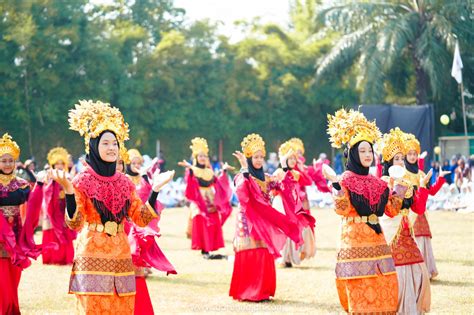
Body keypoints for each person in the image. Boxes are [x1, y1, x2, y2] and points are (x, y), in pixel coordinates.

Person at [52, 100, 174, 314]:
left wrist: (154, 190)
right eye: (105, 143)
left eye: (115, 144)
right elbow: (75, 222)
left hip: (120, 253)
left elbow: (141, 218)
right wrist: (70, 192)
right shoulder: (82, 179)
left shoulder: (125, 181)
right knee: (93, 308)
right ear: (94, 146)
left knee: (122, 307)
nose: (111, 148)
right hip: (91, 253)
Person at [325, 109, 406, 314]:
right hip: (353, 238)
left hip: (376, 238)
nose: (368, 155)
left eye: (370, 150)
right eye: (362, 151)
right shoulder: (344, 179)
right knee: (358, 285)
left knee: (384, 281)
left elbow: (391, 210)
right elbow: (342, 209)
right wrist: (335, 185)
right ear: (352, 153)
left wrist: (398, 187)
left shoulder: (378, 182)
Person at [230, 133, 302, 301]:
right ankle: (248, 291)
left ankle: (261, 290)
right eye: (256, 157)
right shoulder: (242, 176)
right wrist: (244, 169)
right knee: (250, 249)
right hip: (247, 219)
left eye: (261, 157)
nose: (259, 160)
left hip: (263, 218)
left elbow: (284, 185)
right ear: (248, 158)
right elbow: (242, 193)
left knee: (263, 250)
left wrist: (284, 165)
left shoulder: (266, 177)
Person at [378, 128, 432, 314]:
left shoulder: (408, 181)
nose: (400, 161)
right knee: (398, 270)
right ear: (388, 162)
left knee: (419, 269)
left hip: (407, 231)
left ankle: (410, 307)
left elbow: (418, 208)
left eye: (402, 158)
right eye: (397, 158)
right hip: (392, 233)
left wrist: (423, 187)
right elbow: (390, 211)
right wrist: (398, 188)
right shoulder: (384, 182)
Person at [125, 148, 176, 315]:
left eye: (139, 163)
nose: (137, 166)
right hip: (125, 223)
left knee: (141, 247)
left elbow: (149, 195)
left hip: (140, 218)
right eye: (134, 163)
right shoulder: (123, 180)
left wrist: (146, 176)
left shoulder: (143, 178)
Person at [0, 133, 44, 314]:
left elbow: (33, 204)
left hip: (16, 234)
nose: (8, 164)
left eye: (11, 160)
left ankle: (12, 307)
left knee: (14, 275)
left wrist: (40, 185)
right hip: (0, 234)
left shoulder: (22, 184)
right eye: (3, 160)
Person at [403, 132, 448, 279]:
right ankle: (416, 272)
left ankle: (425, 271)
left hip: (421, 215)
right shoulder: (402, 174)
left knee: (423, 240)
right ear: (405, 155)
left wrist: (440, 178)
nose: (412, 156)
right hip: (408, 215)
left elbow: (431, 192)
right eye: (409, 153)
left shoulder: (422, 174)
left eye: (414, 153)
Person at [178, 137, 232, 259]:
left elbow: (217, 182)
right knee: (201, 219)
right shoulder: (192, 170)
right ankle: (204, 248)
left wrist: (224, 171)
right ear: (196, 158)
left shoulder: (209, 171)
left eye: (204, 156)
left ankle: (210, 247)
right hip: (198, 199)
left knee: (213, 221)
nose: (202, 158)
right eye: (200, 156)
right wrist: (190, 170)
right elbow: (190, 185)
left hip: (210, 199)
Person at [273, 140, 316, 267]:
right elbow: (275, 190)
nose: (292, 161)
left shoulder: (296, 174)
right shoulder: (278, 172)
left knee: (302, 228)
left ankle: (292, 256)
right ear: (284, 159)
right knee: (284, 230)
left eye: (294, 158)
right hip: (281, 203)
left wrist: (302, 168)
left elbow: (308, 182)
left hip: (294, 203)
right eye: (289, 158)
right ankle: (283, 258)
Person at [42, 147, 76, 265]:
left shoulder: (68, 176)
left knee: (65, 231)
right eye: (57, 163)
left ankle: (66, 258)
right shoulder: (49, 176)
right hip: (53, 209)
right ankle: (52, 258)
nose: (60, 166)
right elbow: (45, 191)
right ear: (53, 164)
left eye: (62, 163)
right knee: (53, 232)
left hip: (64, 209)